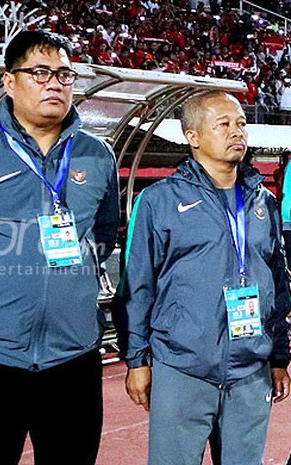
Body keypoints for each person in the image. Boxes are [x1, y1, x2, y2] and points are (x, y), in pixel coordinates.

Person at [0, 30, 119, 465]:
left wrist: (73, 287)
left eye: (64, 74)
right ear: (9, 82)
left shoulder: (97, 155)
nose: (55, 83)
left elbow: (105, 235)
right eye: (40, 73)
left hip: (74, 355)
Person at [118, 91, 290, 465]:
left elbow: (277, 281)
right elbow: (137, 287)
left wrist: (279, 355)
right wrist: (136, 360)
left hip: (251, 369)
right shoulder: (159, 201)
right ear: (192, 136)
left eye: (241, 124)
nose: (237, 132)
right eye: (224, 124)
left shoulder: (264, 202)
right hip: (183, 367)